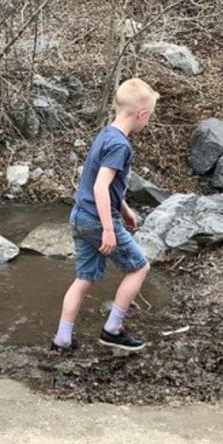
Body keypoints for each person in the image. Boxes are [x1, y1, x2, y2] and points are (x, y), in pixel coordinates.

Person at [51, 78, 159, 353]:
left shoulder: (105, 135)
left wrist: (125, 210)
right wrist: (110, 229)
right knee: (139, 267)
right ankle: (113, 329)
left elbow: (106, 184)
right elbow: (100, 187)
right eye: (150, 117)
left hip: (80, 216)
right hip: (98, 220)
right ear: (142, 115)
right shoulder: (121, 145)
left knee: (84, 277)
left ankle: (62, 339)